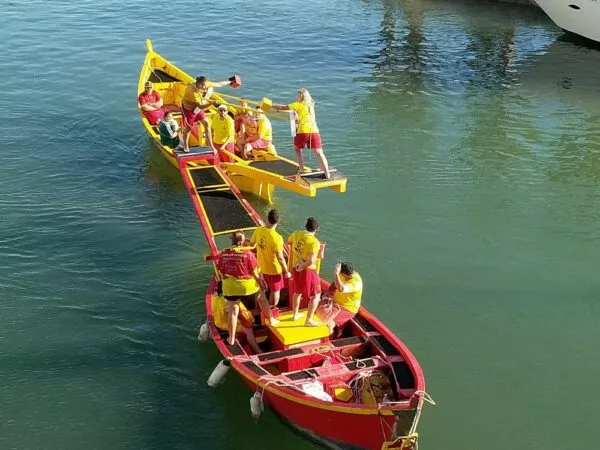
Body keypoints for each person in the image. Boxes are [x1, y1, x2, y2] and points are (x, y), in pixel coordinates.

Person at [216, 231, 279, 346]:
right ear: (242, 241)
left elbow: (220, 269)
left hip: (230, 287)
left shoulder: (224, 253)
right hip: (247, 287)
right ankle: (271, 319)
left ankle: (231, 338)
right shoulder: (248, 254)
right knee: (263, 299)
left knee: (233, 312)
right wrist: (261, 282)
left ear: (232, 241)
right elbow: (255, 271)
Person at [271, 88, 331, 178]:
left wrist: (271, 105)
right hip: (314, 130)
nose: (296, 97)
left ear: (300, 96)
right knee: (319, 152)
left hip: (303, 130)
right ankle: (327, 172)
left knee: (297, 148)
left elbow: (283, 107)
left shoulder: (297, 104)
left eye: (297, 95)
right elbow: (300, 112)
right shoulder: (311, 104)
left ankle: (302, 169)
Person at [250, 209, 291, 308]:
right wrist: (286, 271)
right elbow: (280, 258)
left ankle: (259, 308)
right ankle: (272, 309)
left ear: (267, 218)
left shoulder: (258, 230)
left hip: (260, 268)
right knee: (275, 290)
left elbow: (251, 244)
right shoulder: (277, 238)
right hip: (274, 270)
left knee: (261, 290)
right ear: (278, 221)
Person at [180, 76, 231, 152]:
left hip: (197, 108)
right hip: (188, 109)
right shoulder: (192, 91)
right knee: (188, 128)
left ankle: (210, 146)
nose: (206, 88)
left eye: (206, 86)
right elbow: (200, 106)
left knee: (207, 124)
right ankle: (185, 145)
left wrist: (230, 81)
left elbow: (219, 84)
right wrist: (211, 103)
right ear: (199, 85)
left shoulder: (205, 84)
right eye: (204, 87)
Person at [287, 217, 322, 326]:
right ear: (316, 229)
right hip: (308, 270)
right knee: (316, 295)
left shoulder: (296, 234)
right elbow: (312, 260)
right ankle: (309, 320)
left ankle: (295, 314)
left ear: (305, 225)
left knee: (297, 292)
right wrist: (303, 265)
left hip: (295, 267)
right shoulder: (314, 242)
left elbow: (289, 242)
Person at [319, 262, 363, 335]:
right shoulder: (343, 275)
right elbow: (335, 283)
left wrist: (336, 274)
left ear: (344, 273)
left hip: (348, 308)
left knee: (329, 323)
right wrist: (329, 292)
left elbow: (341, 288)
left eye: (340, 273)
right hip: (336, 302)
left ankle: (327, 340)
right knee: (319, 312)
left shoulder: (356, 284)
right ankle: (338, 331)